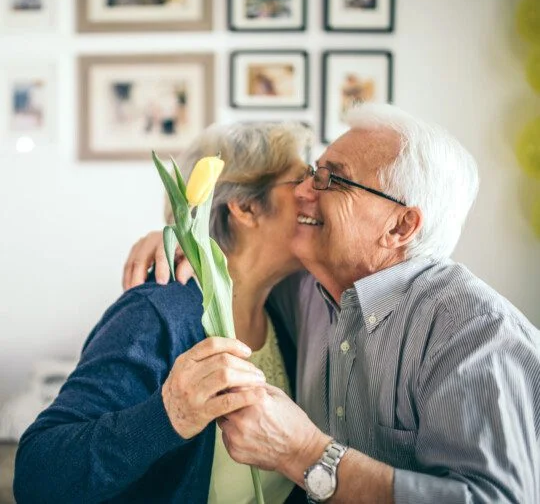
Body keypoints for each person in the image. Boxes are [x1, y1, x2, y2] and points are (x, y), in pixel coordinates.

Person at [124, 103, 540, 503]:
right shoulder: (304, 286)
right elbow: (239, 262)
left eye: (332, 180)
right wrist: (183, 240)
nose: (304, 192)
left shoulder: (476, 331)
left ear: (400, 225)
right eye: (311, 173)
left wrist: (305, 454)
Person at [14, 121, 313, 503]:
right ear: (246, 207)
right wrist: (168, 416)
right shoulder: (157, 314)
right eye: (300, 180)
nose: (313, 194)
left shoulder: (289, 308)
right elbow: (37, 476)